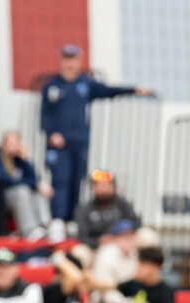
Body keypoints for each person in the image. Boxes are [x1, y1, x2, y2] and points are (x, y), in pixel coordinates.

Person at [42, 45, 150, 232]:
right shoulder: (52, 86)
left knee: (77, 181)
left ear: (79, 61)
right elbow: (44, 116)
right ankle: (58, 221)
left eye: (74, 59)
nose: (70, 63)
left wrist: (133, 90)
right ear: (61, 61)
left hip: (80, 143)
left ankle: (72, 221)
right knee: (61, 181)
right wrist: (52, 133)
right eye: (66, 59)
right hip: (61, 147)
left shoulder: (86, 84)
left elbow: (108, 90)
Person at [0, 130, 52, 240]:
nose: (14, 147)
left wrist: (26, 160)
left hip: (23, 195)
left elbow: (35, 178)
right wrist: (34, 184)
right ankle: (28, 230)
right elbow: (7, 181)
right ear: (4, 145)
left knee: (38, 193)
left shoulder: (20, 160)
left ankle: (45, 225)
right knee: (23, 190)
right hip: (4, 198)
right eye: (11, 144)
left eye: (16, 144)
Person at [73, 170, 142, 250]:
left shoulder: (122, 204)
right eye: (100, 185)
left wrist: (127, 232)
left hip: (123, 243)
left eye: (107, 185)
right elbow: (82, 237)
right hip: (96, 247)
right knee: (80, 250)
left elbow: (136, 222)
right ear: (93, 188)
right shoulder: (85, 209)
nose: (104, 188)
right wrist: (99, 241)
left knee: (146, 235)